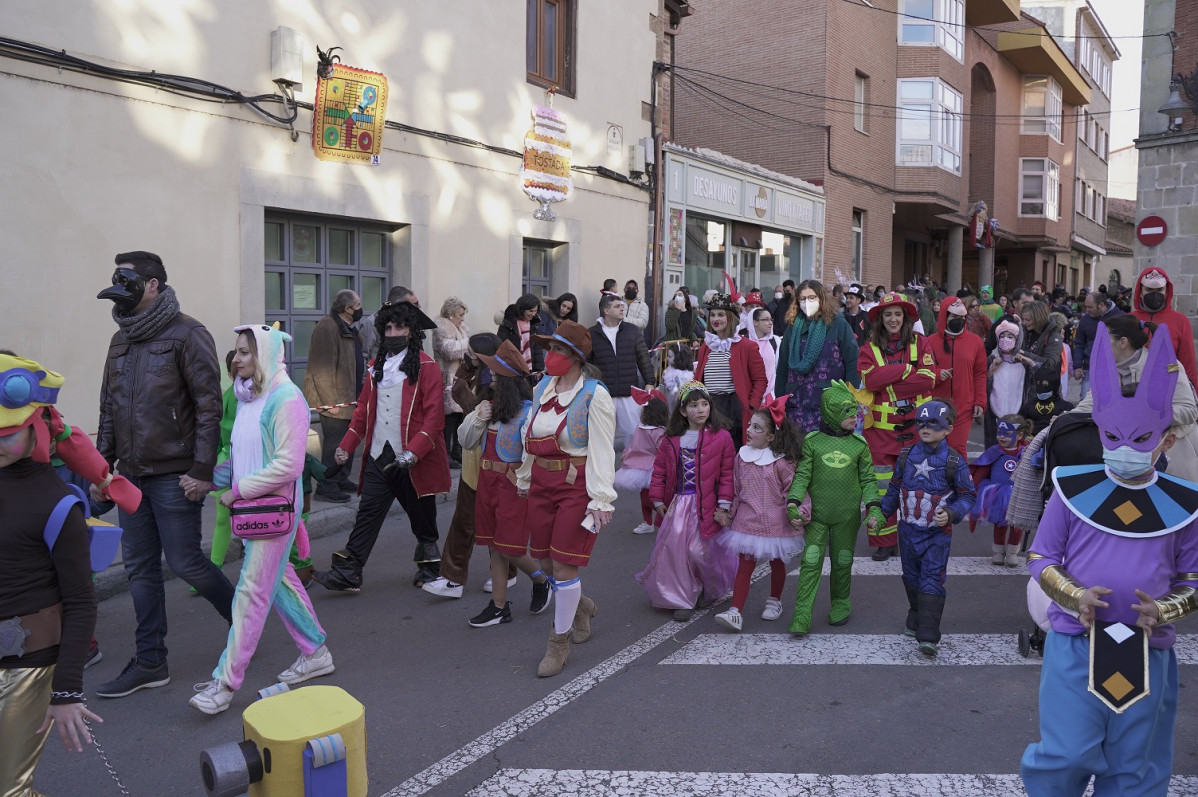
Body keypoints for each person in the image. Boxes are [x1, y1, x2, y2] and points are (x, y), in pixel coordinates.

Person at [1020, 323, 1198, 796]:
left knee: (1135, 768)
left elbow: (1193, 578)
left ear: (1167, 441)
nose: (1123, 450)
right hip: (1077, 644)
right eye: (1112, 437)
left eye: (1139, 439)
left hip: (1148, 650)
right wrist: (1073, 593)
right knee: (1065, 756)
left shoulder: (1184, 505)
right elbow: (1041, 555)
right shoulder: (1072, 491)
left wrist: (1167, 609)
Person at [94, 250, 235, 699]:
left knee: (185, 562)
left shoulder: (188, 334)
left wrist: (202, 470)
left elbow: (209, 406)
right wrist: (101, 466)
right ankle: (151, 661)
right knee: (139, 568)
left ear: (153, 284)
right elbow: (109, 408)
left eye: (130, 280)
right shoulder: (120, 340)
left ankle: (243, 623)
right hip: (130, 476)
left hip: (176, 475)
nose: (122, 289)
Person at [189, 325, 332, 715]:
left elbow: (289, 464)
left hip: (273, 511)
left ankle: (224, 683)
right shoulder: (250, 396)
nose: (236, 360)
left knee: (250, 594)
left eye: (246, 353)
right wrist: (211, 479)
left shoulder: (286, 397)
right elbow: (244, 457)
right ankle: (315, 651)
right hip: (256, 513)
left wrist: (238, 491)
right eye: (235, 353)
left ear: (266, 355)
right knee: (280, 582)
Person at [0, 358, 102, 791]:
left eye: (5, 433)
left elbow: (81, 601)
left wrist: (66, 691)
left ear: (37, 425)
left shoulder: (59, 503)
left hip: (27, 666)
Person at [314, 300, 451, 592]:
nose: (393, 332)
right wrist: (347, 445)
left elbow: (434, 419)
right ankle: (349, 571)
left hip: (414, 458)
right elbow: (363, 411)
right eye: (388, 327)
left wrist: (413, 452)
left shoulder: (427, 368)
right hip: (379, 456)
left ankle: (429, 570)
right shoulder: (376, 367)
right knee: (367, 513)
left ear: (411, 331)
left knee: (422, 517)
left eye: (399, 326)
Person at [517, 320, 614, 677]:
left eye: (557, 349)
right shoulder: (543, 386)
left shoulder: (595, 394)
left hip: (576, 484)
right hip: (542, 480)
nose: (550, 354)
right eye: (549, 348)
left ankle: (558, 643)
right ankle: (582, 607)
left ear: (574, 356)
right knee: (543, 562)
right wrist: (526, 476)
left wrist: (601, 498)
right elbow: (531, 435)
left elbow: (603, 450)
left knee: (564, 564)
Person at [458, 340, 552, 628]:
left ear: (510, 381)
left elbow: (531, 454)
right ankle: (499, 607)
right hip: (487, 483)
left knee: (510, 546)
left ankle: (540, 580)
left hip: (514, 486)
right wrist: (477, 418)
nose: (492, 379)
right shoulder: (489, 408)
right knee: (494, 547)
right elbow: (466, 440)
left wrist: (526, 484)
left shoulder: (527, 413)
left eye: (498, 376)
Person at [872, 399, 975, 657]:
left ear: (948, 429)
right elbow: (894, 487)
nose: (925, 428)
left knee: (932, 578)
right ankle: (916, 612)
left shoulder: (954, 461)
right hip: (907, 531)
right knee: (911, 577)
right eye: (921, 422)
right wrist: (881, 513)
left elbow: (967, 495)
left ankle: (928, 635)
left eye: (933, 423)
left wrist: (952, 513)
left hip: (936, 535)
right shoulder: (907, 455)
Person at [422, 334, 519, 599]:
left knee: (495, 526)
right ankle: (452, 579)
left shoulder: (494, 383)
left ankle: (509, 573)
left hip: (494, 466)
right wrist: (466, 368)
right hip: (472, 465)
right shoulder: (477, 374)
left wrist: (465, 379)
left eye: (473, 352)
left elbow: (470, 408)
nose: (468, 355)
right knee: (463, 524)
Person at [786, 381, 884, 636]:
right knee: (811, 561)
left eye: (855, 411)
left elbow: (869, 481)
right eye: (847, 412)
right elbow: (801, 477)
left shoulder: (860, 445)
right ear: (830, 413)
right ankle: (802, 613)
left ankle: (841, 603)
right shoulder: (813, 443)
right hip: (817, 517)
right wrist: (793, 504)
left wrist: (874, 510)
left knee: (843, 561)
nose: (855, 416)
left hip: (847, 518)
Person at [635, 381, 738, 622]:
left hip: (707, 505)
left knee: (699, 551)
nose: (701, 409)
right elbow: (659, 471)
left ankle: (706, 587)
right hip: (679, 505)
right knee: (676, 552)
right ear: (683, 411)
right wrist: (657, 498)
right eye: (694, 405)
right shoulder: (671, 440)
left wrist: (724, 504)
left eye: (705, 404)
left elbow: (727, 474)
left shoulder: (721, 438)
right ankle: (682, 597)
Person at [712, 397, 807, 632]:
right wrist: (728, 512)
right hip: (747, 521)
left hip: (775, 522)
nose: (749, 430)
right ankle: (735, 611)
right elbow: (736, 489)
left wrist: (801, 511)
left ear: (771, 437)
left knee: (776, 562)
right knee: (745, 566)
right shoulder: (741, 457)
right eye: (749, 425)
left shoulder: (781, 463)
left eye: (757, 428)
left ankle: (775, 601)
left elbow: (795, 491)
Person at [857, 292, 937, 561]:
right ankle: (884, 540)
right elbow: (869, 382)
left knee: (919, 489)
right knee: (881, 490)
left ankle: (917, 538)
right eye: (888, 314)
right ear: (881, 319)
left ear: (906, 318)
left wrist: (886, 381)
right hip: (880, 434)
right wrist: (904, 370)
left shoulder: (921, 343)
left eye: (898, 314)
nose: (893, 319)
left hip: (917, 432)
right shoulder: (869, 348)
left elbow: (927, 381)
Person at [1073, 314, 1198, 483]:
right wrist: (1064, 419)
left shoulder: (1167, 366)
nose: (1098, 345)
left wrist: (1146, 415)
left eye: (1104, 339)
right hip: (1125, 461)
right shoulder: (1105, 371)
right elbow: (1090, 404)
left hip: (1169, 455)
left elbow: (1189, 411)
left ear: (1123, 343)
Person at [774, 280, 860, 434]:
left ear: (821, 298)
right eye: (802, 299)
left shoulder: (838, 325)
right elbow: (782, 369)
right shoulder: (792, 329)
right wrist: (780, 402)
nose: (807, 302)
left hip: (830, 408)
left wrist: (849, 402)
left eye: (812, 298)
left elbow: (853, 364)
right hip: (796, 407)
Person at [303, 289, 365, 502]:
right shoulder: (327, 327)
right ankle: (326, 485)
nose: (360, 310)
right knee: (334, 444)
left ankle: (340, 479)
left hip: (350, 397)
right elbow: (322, 369)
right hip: (335, 400)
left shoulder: (348, 326)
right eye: (357, 306)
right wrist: (331, 402)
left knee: (347, 440)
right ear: (347, 309)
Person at [695, 292, 767, 448]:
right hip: (710, 407)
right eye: (712, 315)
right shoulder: (705, 348)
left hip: (734, 409)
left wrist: (751, 405)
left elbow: (760, 380)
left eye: (720, 314)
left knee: (732, 453)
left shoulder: (746, 346)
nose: (715, 319)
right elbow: (698, 380)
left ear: (730, 317)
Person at [588, 293, 655, 449]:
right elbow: (587, 364)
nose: (622, 309)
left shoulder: (632, 331)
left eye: (622, 306)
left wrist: (650, 382)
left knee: (633, 435)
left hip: (628, 393)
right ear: (606, 310)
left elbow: (643, 358)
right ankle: (604, 472)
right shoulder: (591, 334)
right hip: (603, 394)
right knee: (603, 437)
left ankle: (632, 469)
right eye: (617, 306)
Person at [968, 415, 1032, 567]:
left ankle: (1012, 552)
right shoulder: (994, 452)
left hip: (1018, 494)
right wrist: (972, 488)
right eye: (999, 433)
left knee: (1017, 525)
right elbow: (982, 470)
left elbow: (1033, 472)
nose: (1001, 437)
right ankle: (998, 551)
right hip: (997, 495)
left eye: (1007, 433)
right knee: (1000, 524)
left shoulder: (1026, 453)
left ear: (1020, 435)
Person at [927, 297, 987, 456]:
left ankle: (961, 481)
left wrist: (980, 401)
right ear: (944, 317)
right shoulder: (930, 342)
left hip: (963, 407)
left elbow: (980, 374)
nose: (959, 321)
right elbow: (922, 371)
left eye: (962, 317)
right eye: (954, 317)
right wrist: (938, 374)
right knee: (934, 448)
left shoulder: (975, 342)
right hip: (935, 405)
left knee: (957, 449)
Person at [614, 387, 669, 535]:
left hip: (652, 468)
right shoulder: (648, 430)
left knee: (650, 497)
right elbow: (634, 445)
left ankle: (662, 519)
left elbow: (661, 451)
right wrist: (627, 452)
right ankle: (649, 522)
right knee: (645, 496)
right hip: (643, 468)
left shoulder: (655, 431)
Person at [1132, 266, 1198, 388]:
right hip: (1132, 388)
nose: (1155, 294)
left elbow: (1187, 361)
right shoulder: (1129, 319)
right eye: (1149, 289)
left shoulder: (1180, 321)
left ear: (1167, 291)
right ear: (1140, 291)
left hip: (1168, 387)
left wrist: (1192, 390)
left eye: (1160, 289)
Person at [433, 296, 471, 469]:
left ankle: (456, 450)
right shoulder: (441, 328)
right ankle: (445, 453)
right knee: (448, 418)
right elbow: (448, 351)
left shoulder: (461, 328)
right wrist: (468, 345)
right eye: (460, 314)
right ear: (451, 314)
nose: (463, 318)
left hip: (460, 377)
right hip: (447, 376)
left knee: (459, 415)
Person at [1071, 289, 1123, 402]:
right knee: (1085, 400)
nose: (1086, 310)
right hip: (1090, 368)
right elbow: (1079, 344)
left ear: (1101, 305)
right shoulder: (1085, 320)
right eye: (1086, 307)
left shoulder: (1120, 318)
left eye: (1090, 307)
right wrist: (1078, 366)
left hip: (1115, 369)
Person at [358, 285, 419, 364]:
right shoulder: (371, 323)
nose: (419, 306)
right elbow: (362, 356)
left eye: (399, 328)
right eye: (415, 304)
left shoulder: (410, 322)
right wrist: (371, 375)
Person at [1018, 300, 1065, 391]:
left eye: (1028, 320)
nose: (1024, 322)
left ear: (1039, 318)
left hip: (1044, 388)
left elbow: (1050, 363)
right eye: (1023, 319)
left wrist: (1024, 354)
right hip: (1023, 385)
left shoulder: (1054, 336)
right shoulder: (1023, 330)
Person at [498, 293, 546, 379]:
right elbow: (500, 345)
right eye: (531, 311)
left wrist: (539, 368)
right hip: (512, 369)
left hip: (530, 370)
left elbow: (537, 347)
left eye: (535, 311)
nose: (534, 314)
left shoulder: (535, 323)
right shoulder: (508, 323)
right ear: (522, 309)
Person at [745, 306, 782, 395]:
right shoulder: (744, 342)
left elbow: (779, 369)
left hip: (771, 396)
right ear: (755, 322)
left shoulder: (775, 341)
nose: (770, 323)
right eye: (766, 319)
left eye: (771, 320)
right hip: (750, 395)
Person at [661, 342, 695, 409]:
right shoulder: (667, 372)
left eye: (670, 356)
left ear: (678, 358)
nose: (667, 358)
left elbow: (677, 395)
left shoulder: (682, 377)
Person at [842, 283, 869, 347]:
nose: (847, 300)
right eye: (847, 297)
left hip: (863, 354)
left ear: (858, 300)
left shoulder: (867, 316)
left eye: (851, 298)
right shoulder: (841, 317)